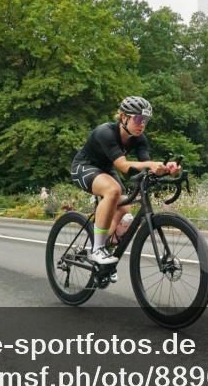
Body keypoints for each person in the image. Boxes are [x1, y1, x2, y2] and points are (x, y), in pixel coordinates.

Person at [70, 96, 178, 265]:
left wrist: (166, 169)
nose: (142, 124)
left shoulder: (140, 139)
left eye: (145, 120)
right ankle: (97, 249)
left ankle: (103, 246)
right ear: (123, 117)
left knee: (125, 207)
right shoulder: (105, 132)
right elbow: (123, 165)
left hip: (106, 170)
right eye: (138, 119)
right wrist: (151, 165)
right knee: (113, 191)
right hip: (84, 167)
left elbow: (145, 167)